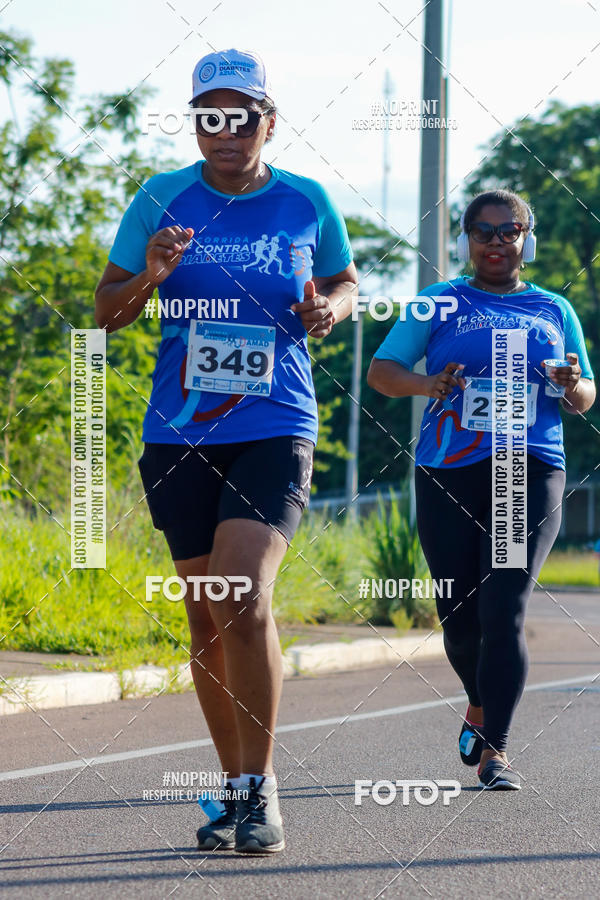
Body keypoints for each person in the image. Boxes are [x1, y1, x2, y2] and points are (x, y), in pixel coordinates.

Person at [95, 48, 357, 850]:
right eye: (209, 114)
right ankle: (236, 788)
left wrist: (331, 313)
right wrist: (151, 273)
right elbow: (107, 314)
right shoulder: (159, 199)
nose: (225, 128)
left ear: (268, 122)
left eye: (241, 114)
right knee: (206, 621)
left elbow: (345, 282)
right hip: (179, 433)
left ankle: (264, 789)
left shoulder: (305, 201)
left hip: (276, 424)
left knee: (243, 595)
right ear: (196, 122)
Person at [368, 189, 595, 790]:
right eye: (484, 231)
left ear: (527, 238)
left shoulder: (554, 309)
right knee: (460, 618)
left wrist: (572, 385)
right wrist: (428, 383)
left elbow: (584, 395)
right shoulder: (437, 302)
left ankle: (497, 750)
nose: (497, 241)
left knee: (505, 611)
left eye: (509, 230)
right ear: (465, 240)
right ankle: (478, 702)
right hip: (449, 468)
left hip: (528, 467)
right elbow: (380, 373)